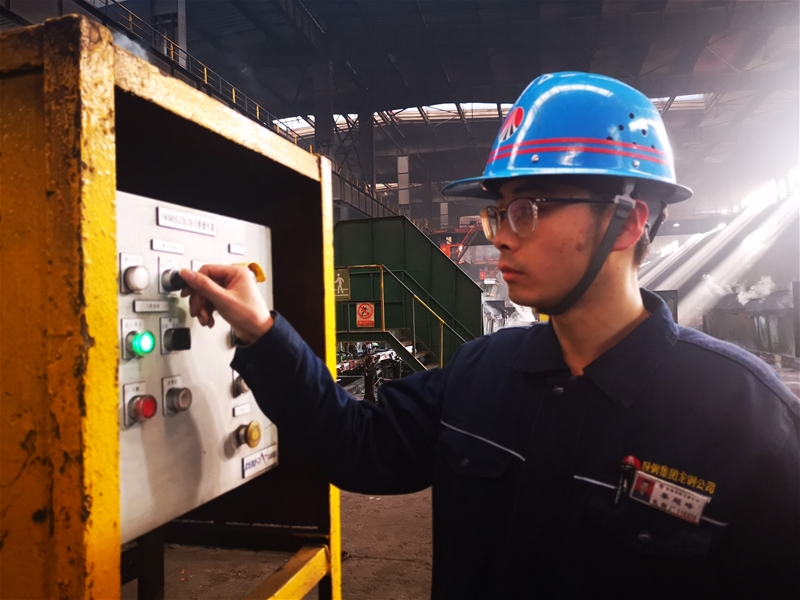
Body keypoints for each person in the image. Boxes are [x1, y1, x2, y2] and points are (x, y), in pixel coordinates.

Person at [180, 72, 800, 599]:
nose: (500, 236)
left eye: (528, 210)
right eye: (497, 212)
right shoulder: (482, 373)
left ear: (625, 223)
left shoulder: (744, 419)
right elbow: (357, 444)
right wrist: (261, 330)